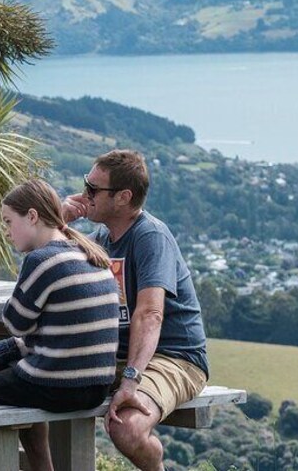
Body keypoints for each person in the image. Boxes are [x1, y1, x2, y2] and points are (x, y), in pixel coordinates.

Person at [63, 150, 208, 471]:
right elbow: (51, 266)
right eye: (86, 185)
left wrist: (130, 380)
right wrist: (58, 223)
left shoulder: (150, 237)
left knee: (126, 429)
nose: (84, 194)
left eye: (92, 189)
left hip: (174, 357)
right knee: (36, 390)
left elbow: (150, 314)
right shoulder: (100, 237)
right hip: (118, 357)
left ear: (123, 197)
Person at [0, 179, 119, 471]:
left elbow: (15, 323)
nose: (6, 231)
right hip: (98, 384)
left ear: (31, 216)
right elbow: (43, 338)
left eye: (8, 221)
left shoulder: (41, 259)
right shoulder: (91, 254)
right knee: (16, 374)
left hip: (61, 384)